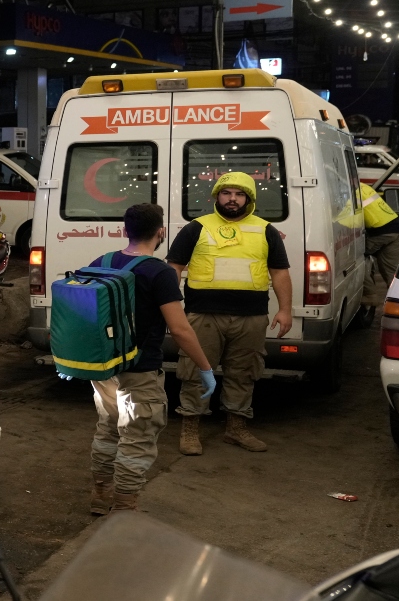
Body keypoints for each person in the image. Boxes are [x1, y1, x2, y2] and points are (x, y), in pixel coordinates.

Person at [79, 203, 215, 514]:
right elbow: (180, 329)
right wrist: (205, 367)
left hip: (104, 368)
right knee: (137, 438)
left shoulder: (103, 261)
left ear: (124, 231)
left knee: (108, 427)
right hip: (141, 370)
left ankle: (100, 494)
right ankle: (125, 507)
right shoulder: (160, 272)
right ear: (161, 232)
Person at [166, 172, 292, 455]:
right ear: (216, 197)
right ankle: (190, 430)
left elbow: (279, 272)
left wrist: (285, 310)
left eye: (239, 194)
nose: (232, 199)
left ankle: (236, 429)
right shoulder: (195, 228)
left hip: (252, 316)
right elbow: (173, 268)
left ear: (249, 199)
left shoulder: (265, 230)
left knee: (243, 373)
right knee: (196, 371)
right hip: (203, 315)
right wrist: (170, 307)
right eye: (226, 193)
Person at [359, 183, 399, 324]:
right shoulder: (363, 186)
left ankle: (369, 295)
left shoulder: (346, 191)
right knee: (393, 275)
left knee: (354, 258)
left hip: (383, 233)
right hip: (398, 231)